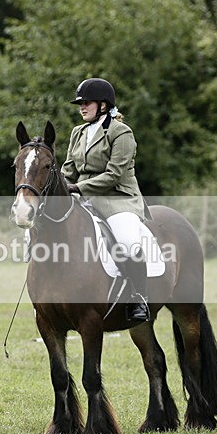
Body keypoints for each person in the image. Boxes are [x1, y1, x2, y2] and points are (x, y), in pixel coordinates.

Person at [61, 77, 150, 323]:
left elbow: (113, 175)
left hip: (117, 199)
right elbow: (68, 169)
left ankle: (138, 298)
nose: (82, 107)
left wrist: (77, 187)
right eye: (80, 103)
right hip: (83, 199)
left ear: (103, 105)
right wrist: (55, 187)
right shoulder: (77, 132)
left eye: (87, 102)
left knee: (128, 242)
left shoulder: (121, 132)